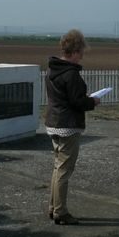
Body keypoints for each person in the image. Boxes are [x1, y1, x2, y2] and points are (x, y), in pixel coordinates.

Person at [44, 29, 100, 225]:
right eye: (82, 50)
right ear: (75, 51)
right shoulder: (71, 75)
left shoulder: (52, 70)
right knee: (64, 170)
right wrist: (92, 101)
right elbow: (77, 102)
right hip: (68, 125)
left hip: (53, 122)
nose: (83, 54)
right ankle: (60, 211)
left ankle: (53, 207)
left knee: (57, 167)